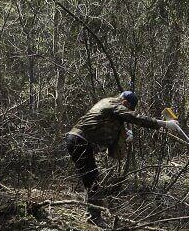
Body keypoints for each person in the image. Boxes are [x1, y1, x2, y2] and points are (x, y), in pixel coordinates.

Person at [65, 91, 169, 224]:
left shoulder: (109, 105)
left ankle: (93, 214)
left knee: (90, 178)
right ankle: (94, 218)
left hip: (76, 140)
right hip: (80, 140)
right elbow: (136, 117)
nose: (127, 111)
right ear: (125, 103)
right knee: (92, 179)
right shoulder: (114, 104)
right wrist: (163, 124)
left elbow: (109, 127)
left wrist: (125, 135)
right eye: (128, 108)